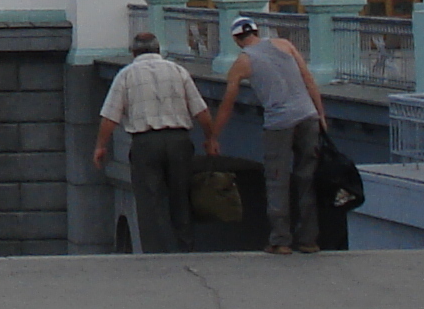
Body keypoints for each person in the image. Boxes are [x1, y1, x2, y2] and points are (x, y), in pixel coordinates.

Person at [209, 16, 331, 254]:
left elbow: (227, 103)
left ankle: (280, 240)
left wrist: (213, 135)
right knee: (307, 178)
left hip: (279, 124)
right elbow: (309, 80)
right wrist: (321, 115)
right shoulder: (285, 44)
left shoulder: (243, 62)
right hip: (308, 117)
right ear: (256, 31)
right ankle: (308, 240)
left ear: (236, 39)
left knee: (277, 180)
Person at [92, 31, 214, 253]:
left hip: (145, 143)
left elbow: (110, 117)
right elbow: (201, 110)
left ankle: (154, 252)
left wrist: (101, 146)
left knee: (149, 202)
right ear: (158, 50)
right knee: (181, 196)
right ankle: (185, 248)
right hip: (179, 141)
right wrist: (211, 138)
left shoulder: (126, 75)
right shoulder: (178, 71)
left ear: (134, 52)